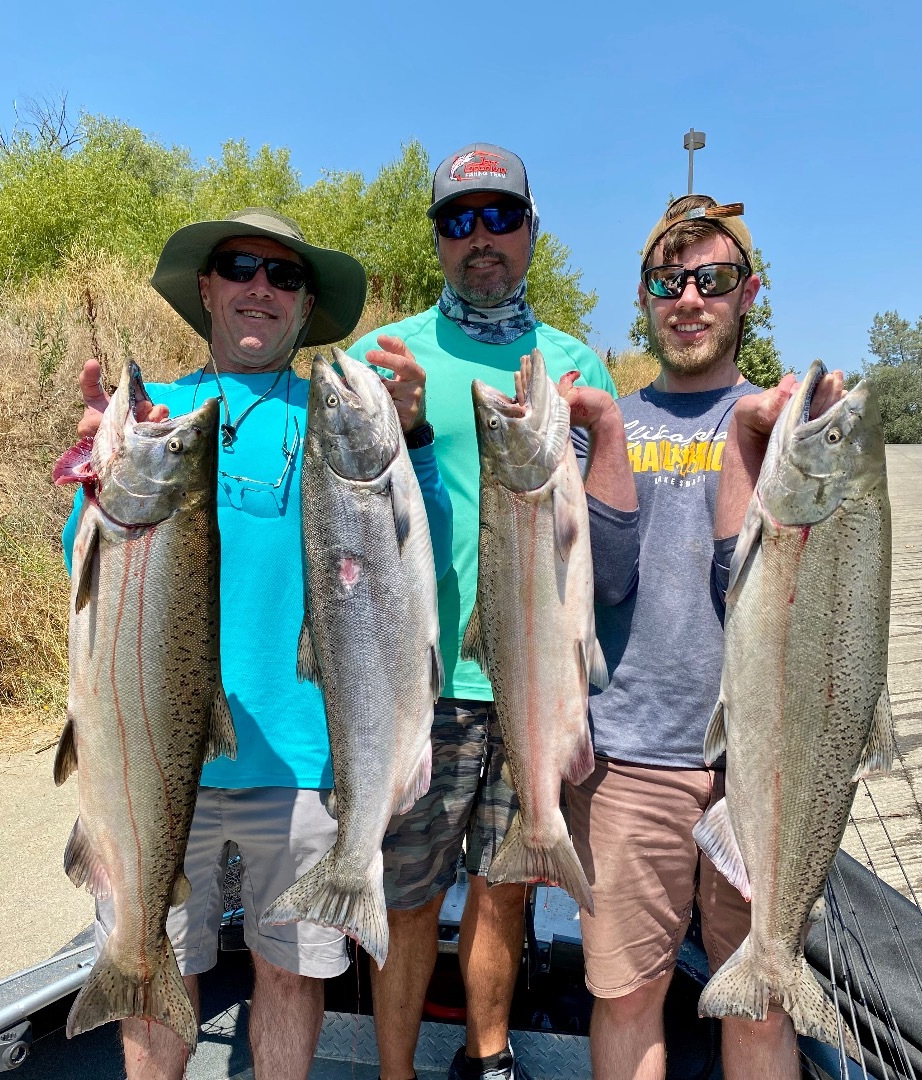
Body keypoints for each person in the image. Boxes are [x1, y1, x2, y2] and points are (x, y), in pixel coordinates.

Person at [64, 207, 452, 1080]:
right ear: (206, 287)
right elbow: (80, 572)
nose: (259, 289)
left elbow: (406, 558)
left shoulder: (344, 414)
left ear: (306, 305)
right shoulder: (159, 415)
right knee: (155, 963)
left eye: (283, 277)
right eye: (240, 266)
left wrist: (413, 440)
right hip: (151, 761)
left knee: (288, 973)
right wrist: (95, 476)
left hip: (311, 759)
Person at [347, 144, 619, 1080]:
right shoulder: (377, 359)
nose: (480, 239)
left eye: (498, 217)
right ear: (437, 241)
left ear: (531, 231)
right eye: (457, 221)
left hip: (535, 679)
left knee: (505, 889)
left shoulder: (577, 366)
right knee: (409, 894)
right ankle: (393, 1070)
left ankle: (489, 1057)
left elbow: (605, 538)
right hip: (418, 682)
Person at [561, 194, 845, 1080]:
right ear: (642, 298)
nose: (688, 298)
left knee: (760, 1002)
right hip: (625, 760)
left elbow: (753, 592)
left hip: (763, 770)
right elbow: (601, 581)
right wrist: (601, 432)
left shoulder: (784, 427)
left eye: (710, 280)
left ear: (746, 293)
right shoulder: (603, 425)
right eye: (666, 281)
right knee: (624, 996)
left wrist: (749, 454)